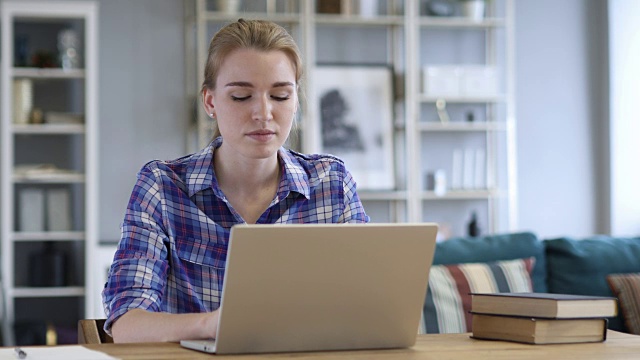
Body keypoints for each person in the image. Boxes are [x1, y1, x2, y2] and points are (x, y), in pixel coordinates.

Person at [102, 19, 369, 343]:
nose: (263, 112)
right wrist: (213, 326)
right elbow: (127, 324)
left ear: (296, 100)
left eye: (281, 96)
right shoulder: (162, 186)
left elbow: (368, 305)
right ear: (210, 102)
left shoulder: (332, 183)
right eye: (242, 96)